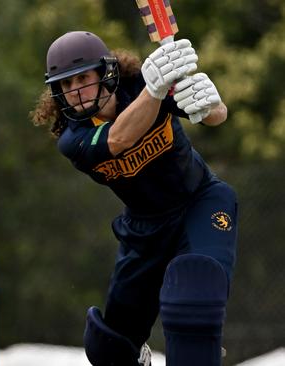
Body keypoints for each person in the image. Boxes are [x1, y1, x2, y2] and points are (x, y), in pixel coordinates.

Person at [31, 31, 237, 366]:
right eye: (65, 85)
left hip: (199, 202)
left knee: (194, 295)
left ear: (106, 73)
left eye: (82, 78)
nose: (75, 92)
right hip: (145, 229)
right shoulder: (73, 139)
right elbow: (119, 137)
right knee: (109, 347)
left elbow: (215, 116)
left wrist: (210, 102)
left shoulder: (144, 84)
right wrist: (155, 92)